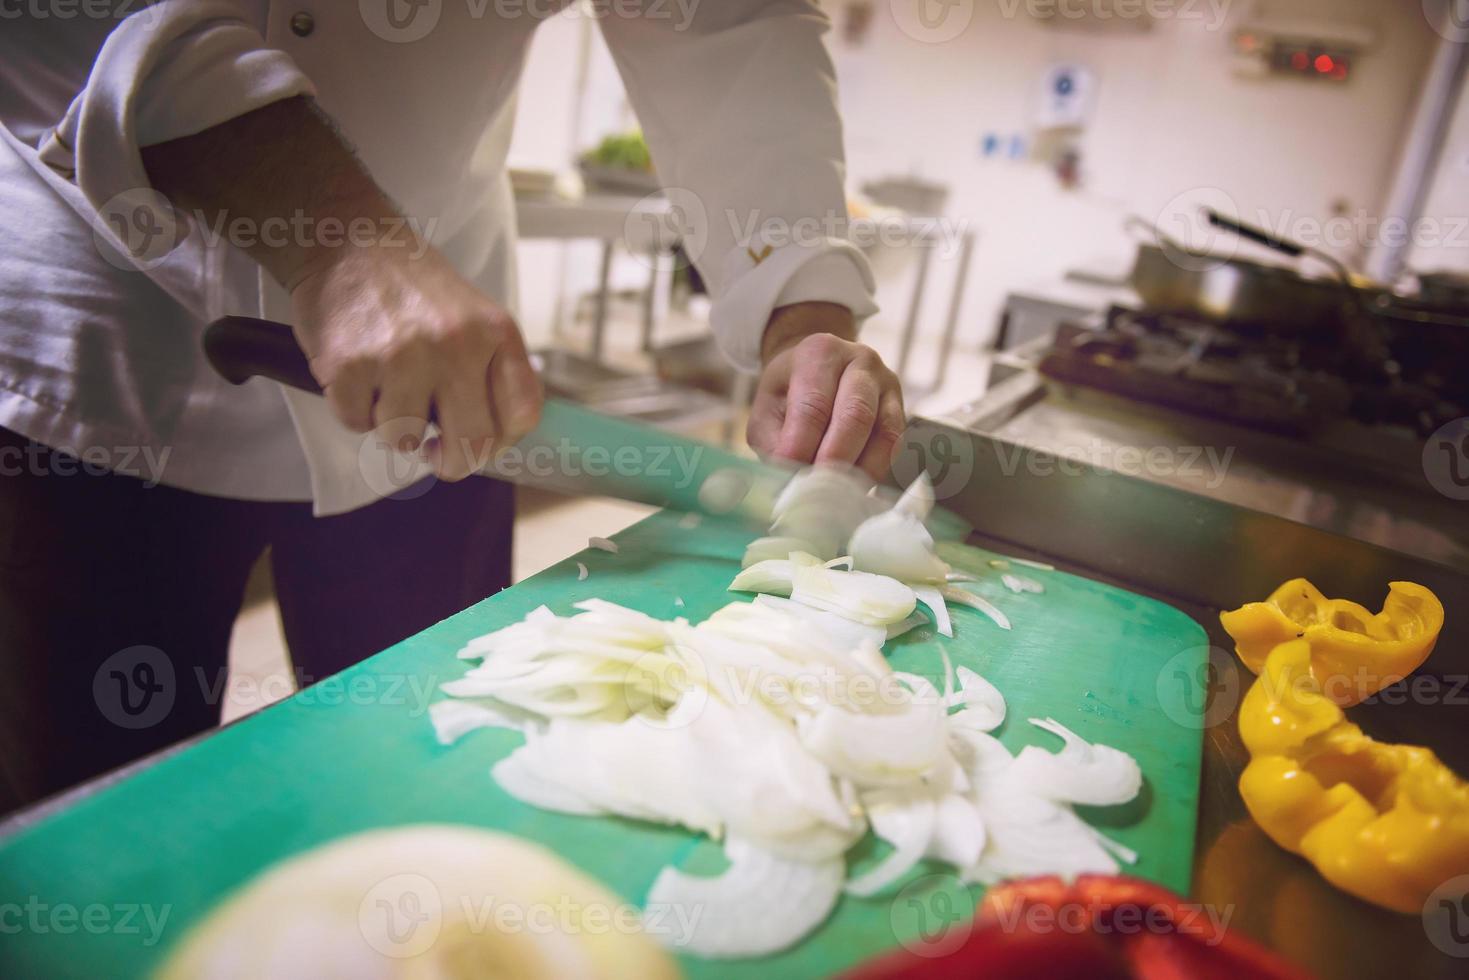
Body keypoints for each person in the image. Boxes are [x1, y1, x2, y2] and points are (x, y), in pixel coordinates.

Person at [0, 0, 904, 813]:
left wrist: (801, 302)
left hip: (450, 404)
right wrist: (341, 240)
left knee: (436, 764)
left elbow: (727, 23)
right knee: (95, 808)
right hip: (107, 336)